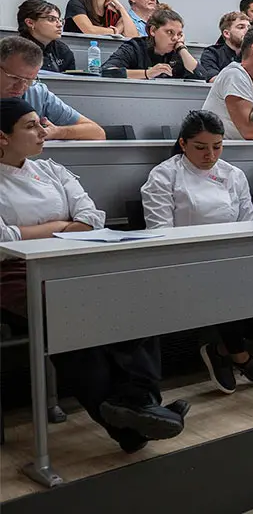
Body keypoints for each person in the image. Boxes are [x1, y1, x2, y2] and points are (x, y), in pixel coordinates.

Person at [0, 97, 187, 453]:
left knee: (137, 296)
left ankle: (139, 401)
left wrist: (39, 229)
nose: (43, 132)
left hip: (72, 261)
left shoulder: (51, 169)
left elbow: (92, 216)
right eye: (30, 127)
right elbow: (3, 240)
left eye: (41, 124)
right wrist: (62, 225)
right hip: (13, 272)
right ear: (2, 137)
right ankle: (129, 422)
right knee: (71, 317)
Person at [139, 110, 253, 393]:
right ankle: (240, 356)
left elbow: (246, 223)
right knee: (223, 285)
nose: (210, 155)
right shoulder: (164, 176)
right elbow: (160, 232)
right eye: (201, 148)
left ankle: (222, 349)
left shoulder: (232, 175)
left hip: (230, 255)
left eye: (217, 146)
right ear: (183, 144)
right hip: (183, 258)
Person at [0, 37, 104, 140]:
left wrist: (57, 132)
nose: (21, 87)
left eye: (29, 80)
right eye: (14, 78)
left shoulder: (37, 93)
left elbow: (97, 132)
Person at [101, 9, 202, 80]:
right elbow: (107, 71)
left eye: (179, 34)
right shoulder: (134, 47)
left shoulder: (178, 51)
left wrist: (181, 48)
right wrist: (147, 73)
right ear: (153, 30)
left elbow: (201, 76)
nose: (175, 38)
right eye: (169, 32)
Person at [16, 0, 75, 73]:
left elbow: (71, 82)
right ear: (30, 23)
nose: (60, 25)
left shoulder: (62, 50)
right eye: (51, 19)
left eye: (60, 20)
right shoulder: (14, 51)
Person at [197, 12, 250, 81]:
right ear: (227, 33)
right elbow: (214, 80)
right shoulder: (212, 53)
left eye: (249, 27)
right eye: (241, 27)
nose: (247, 31)